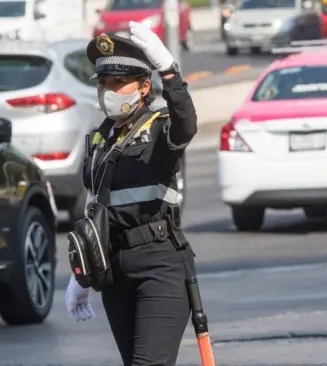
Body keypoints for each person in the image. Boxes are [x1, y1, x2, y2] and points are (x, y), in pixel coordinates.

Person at [65, 21, 198, 366]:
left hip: (160, 265)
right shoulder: (98, 141)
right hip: (114, 272)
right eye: (104, 83)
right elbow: (98, 210)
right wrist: (82, 273)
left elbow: (187, 124)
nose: (108, 90)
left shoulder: (159, 130)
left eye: (119, 83)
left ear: (142, 87)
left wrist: (169, 71)